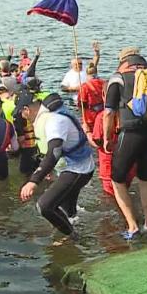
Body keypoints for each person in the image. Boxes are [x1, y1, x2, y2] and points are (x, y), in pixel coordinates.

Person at [19, 93, 95, 238]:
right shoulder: (52, 115)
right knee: (68, 209)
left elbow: (54, 152)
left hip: (79, 169)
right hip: (77, 165)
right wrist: (50, 168)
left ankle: (72, 237)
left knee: (44, 206)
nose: (23, 117)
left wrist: (34, 181)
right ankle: (75, 226)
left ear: (27, 110)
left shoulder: (55, 121)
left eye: (22, 113)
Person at [104, 50, 147, 239]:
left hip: (130, 132)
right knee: (145, 179)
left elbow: (109, 112)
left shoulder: (118, 78)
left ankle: (132, 226)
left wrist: (106, 138)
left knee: (117, 179)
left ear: (123, 63)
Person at [79, 63, 105, 134]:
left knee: (91, 133)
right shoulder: (104, 83)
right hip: (103, 113)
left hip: (90, 117)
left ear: (87, 75)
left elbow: (81, 104)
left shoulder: (84, 86)